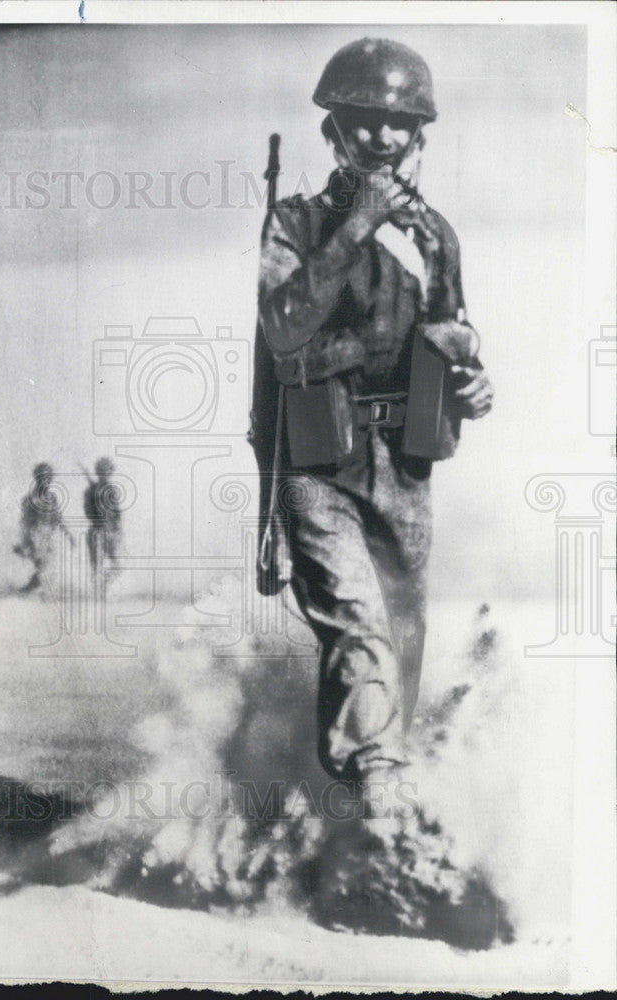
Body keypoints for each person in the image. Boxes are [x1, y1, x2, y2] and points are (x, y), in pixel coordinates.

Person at [250, 39, 493, 803]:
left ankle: (359, 810)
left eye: (400, 125)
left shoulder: (436, 238)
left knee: (402, 644)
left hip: (407, 462)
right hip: (319, 461)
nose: (383, 138)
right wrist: (357, 225)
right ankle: (381, 791)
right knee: (360, 629)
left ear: (420, 135)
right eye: (365, 122)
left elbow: (450, 333)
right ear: (334, 131)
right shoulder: (295, 225)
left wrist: (473, 381)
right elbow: (283, 331)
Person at [14, 462, 69, 594]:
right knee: (44, 565)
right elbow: (25, 521)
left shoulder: (52, 497)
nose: (46, 481)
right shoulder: (30, 499)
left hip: (48, 534)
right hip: (36, 535)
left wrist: (68, 533)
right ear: (37, 479)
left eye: (48, 478)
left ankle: (30, 588)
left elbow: (57, 516)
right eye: (43, 478)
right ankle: (38, 591)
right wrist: (25, 541)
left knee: (48, 566)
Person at [83, 457, 122, 579]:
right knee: (96, 565)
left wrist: (116, 528)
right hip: (96, 530)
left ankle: (106, 582)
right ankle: (98, 587)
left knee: (116, 562)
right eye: (101, 471)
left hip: (111, 531)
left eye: (107, 471)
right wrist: (98, 517)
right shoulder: (90, 491)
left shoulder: (111, 490)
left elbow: (116, 512)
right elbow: (88, 510)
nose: (104, 474)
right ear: (97, 472)